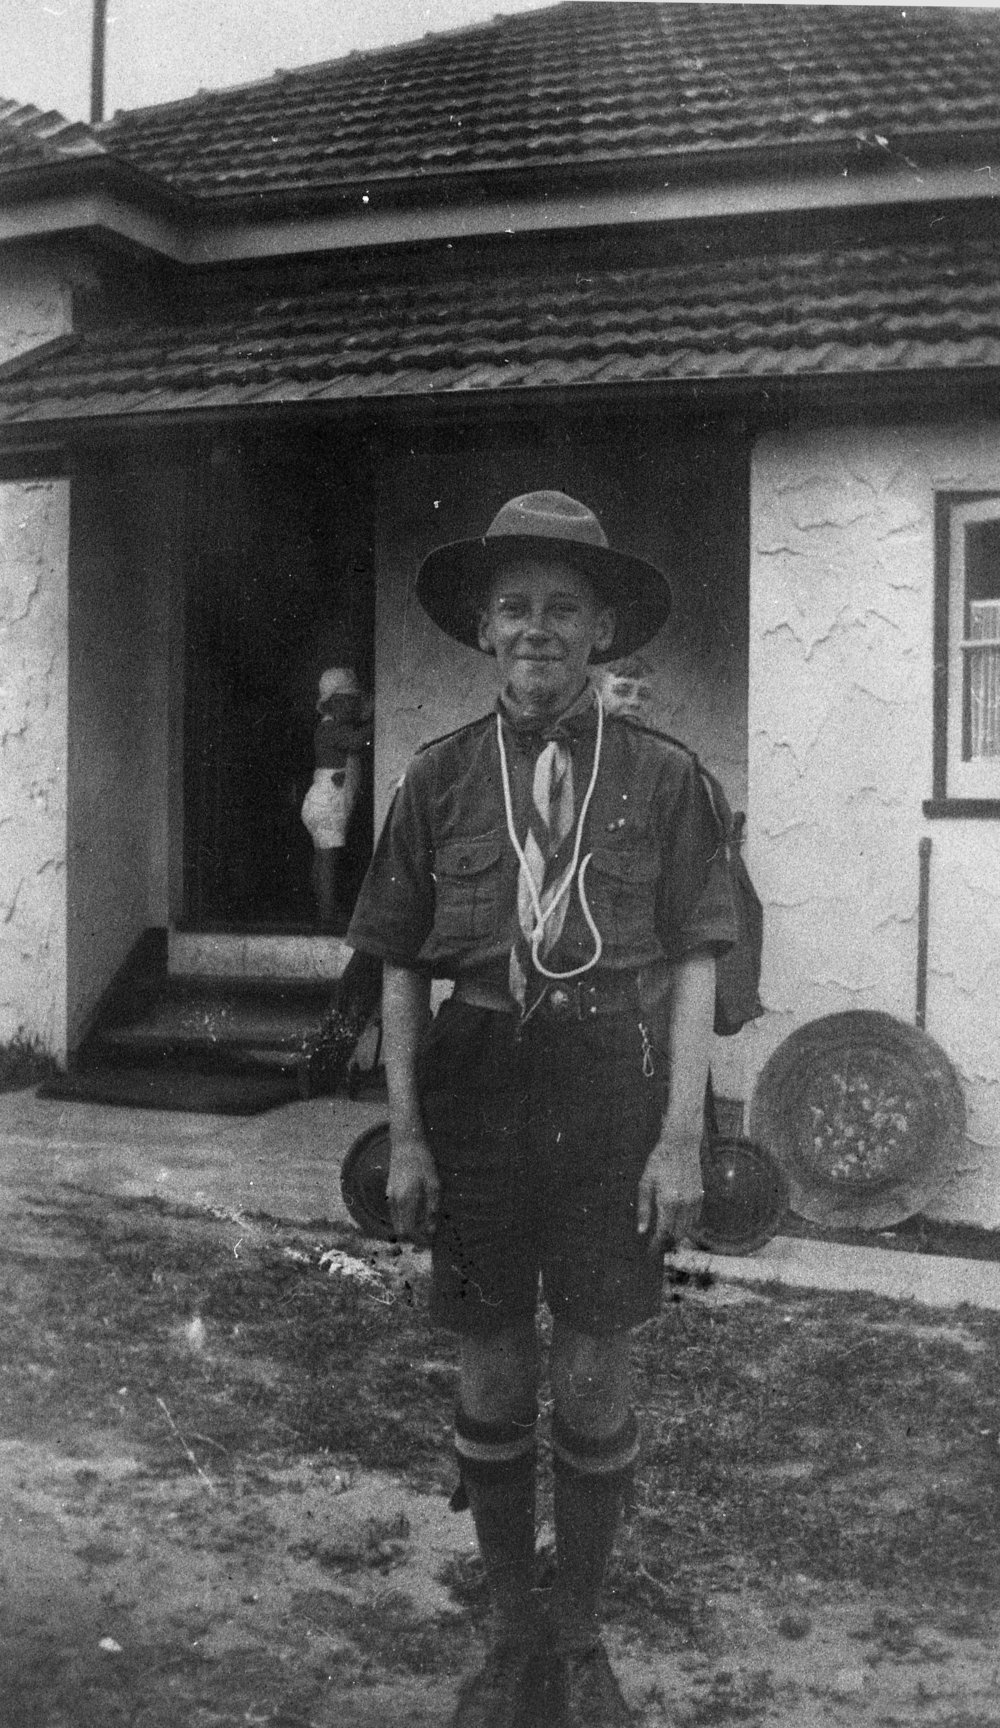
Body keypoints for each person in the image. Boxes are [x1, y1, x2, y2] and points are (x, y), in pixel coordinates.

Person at [347, 491, 737, 1728]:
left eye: (562, 607)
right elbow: (400, 965)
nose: (536, 628)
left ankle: (580, 1638)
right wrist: (407, 1131)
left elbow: (694, 962)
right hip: (474, 1085)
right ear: (480, 627)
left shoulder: (670, 780)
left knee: (598, 1371)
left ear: (603, 628)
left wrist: (681, 1132)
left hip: (608, 1085)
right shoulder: (436, 777)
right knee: (495, 1366)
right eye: (513, 605)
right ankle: (512, 1630)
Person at [300, 666, 373, 929]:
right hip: (328, 802)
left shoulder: (334, 727)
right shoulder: (331, 730)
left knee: (322, 857)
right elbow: (358, 742)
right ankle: (328, 913)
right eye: (350, 702)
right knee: (327, 860)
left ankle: (323, 906)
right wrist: (375, 718)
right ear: (332, 704)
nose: (355, 707)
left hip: (323, 801)